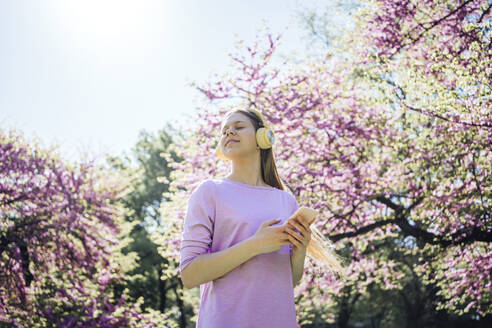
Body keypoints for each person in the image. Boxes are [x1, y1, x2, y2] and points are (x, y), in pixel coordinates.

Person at [179, 107, 309, 327]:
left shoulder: (286, 201)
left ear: (262, 138)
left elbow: (290, 280)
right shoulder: (209, 192)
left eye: (238, 127)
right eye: (224, 131)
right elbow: (190, 274)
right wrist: (255, 245)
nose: (229, 132)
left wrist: (300, 249)